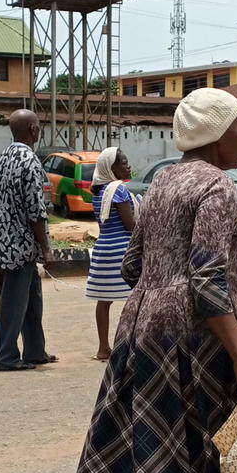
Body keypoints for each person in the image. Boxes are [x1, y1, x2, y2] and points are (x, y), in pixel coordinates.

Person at [75, 87, 237, 473]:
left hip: (141, 327)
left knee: (153, 442)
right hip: (198, 334)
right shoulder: (216, 187)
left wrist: (161, 284)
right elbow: (209, 281)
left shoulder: (160, 182)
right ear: (216, 134)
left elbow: (131, 265)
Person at [0, 109, 55, 372]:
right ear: (33, 130)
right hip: (21, 245)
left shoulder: (2, 158)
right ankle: (5, 357)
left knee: (32, 298)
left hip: (3, 241)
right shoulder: (30, 160)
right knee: (14, 303)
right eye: (38, 126)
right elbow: (36, 210)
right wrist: (46, 249)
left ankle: (36, 350)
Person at [87, 146, 139, 360]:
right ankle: (130, 347)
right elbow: (129, 224)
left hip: (103, 249)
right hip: (122, 250)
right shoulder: (119, 190)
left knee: (104, 299)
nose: (129, 167)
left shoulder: (98, 192)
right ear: (112, 168)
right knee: (136, 299)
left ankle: (103, 347)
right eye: (124, 164)